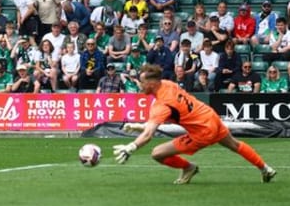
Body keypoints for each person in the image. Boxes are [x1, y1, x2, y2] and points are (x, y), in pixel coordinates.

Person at [113, 64, 276, 184]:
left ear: (152, 83)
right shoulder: (168, 84)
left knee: (157, 153)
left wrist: (131, 147)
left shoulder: (161, 105)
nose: (139, 85)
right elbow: (174, 114)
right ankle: (265, 168)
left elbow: (149, 134)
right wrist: (142, 126)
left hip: (203, 132)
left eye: (141, 82)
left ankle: (189, 167)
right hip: (210, 116)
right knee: (234, 144)